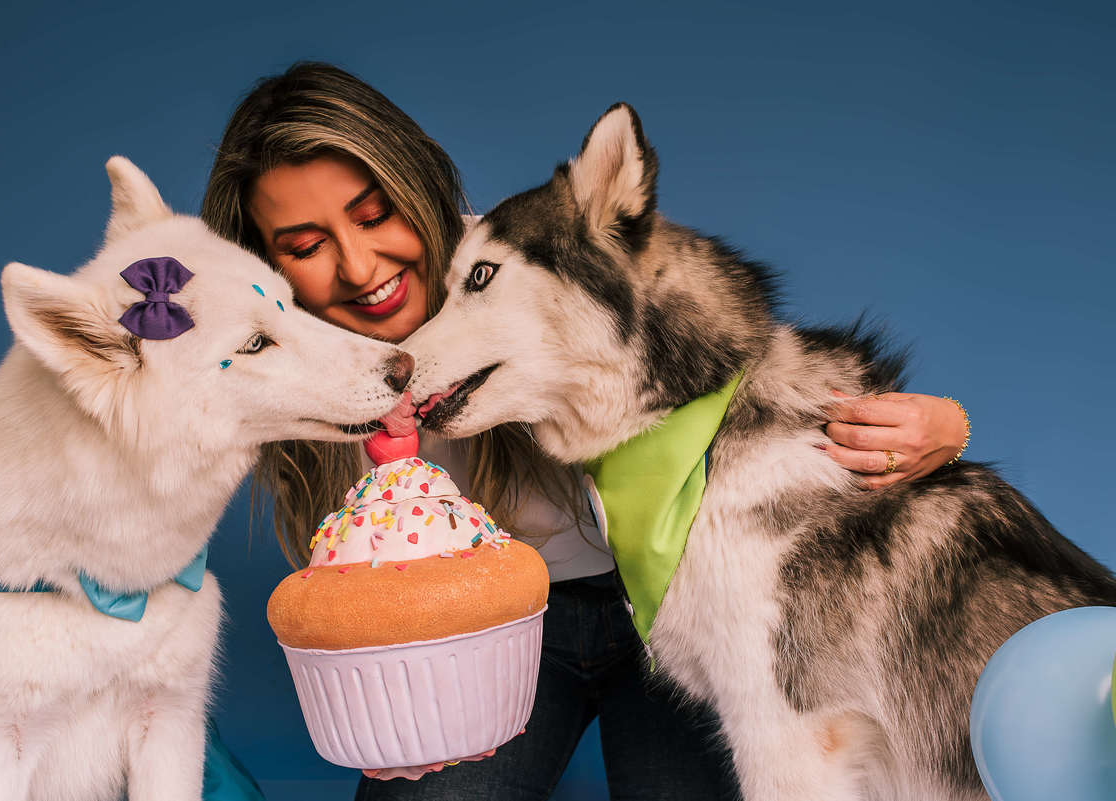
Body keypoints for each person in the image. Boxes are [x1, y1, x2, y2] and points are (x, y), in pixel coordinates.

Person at [200, 62, 970, 800]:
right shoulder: (275, 362)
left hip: (665, 596)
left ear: (418, 190)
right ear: (262, 266)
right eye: (304, 245)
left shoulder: (513, 256)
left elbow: (717, 365)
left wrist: (947, 425)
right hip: (501, 633)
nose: (362, 266)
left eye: (374, 216)